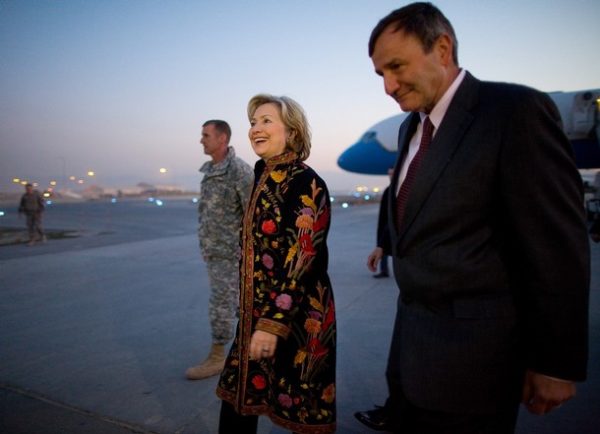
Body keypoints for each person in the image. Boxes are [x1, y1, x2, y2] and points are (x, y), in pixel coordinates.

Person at [361, 3, 590, 434]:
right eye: (380, 75)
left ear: (442, 49)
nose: (388, 86)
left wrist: (555, 364)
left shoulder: (513, 112)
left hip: (477, 366)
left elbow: (556, 245)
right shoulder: (415, 127)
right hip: (412, 359)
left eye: (396, 66)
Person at [216, 94, 336, 434]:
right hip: (256, 314)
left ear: (293, 131)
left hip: (297, 317)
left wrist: (271, 323)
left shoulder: (306, 182)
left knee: (304, 406)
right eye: (253, 122)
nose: (255, 128)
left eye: (266, 120)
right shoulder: (262, 177)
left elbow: (302, 258)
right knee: (238, 397)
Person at [185, 120, 254, 380]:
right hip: (214, 253)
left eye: (206, 135)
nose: (201, 140)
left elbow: (253, 215)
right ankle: (241, 354)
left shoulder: (238, 171)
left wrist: (244, 252)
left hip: (230, 254)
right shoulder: (211, 171)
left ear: (222, 138)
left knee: (222, 305)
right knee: (232, 304)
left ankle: (217, 357)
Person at [369, 169, 394, 278]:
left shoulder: (395, 190)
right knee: (382, 248)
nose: (390, 176)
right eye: (389, 174)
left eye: (392, 174)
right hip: (385, 225)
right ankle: (384, 270)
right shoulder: (389, 190)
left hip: (392, 225)